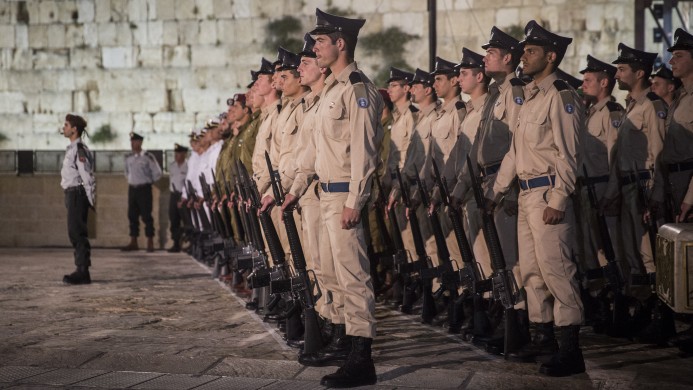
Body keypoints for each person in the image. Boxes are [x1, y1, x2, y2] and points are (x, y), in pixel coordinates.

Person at [283, 8, 383, 388]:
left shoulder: (357, 89)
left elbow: (364, 152)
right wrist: (293, 191)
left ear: (340, 43)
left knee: (354, 277)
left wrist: (355, 200)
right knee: (332, 274)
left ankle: (362, 357)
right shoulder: (331, 92)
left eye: (321, 41)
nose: (315, 47)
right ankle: (345, 342)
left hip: (343, 197)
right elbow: (312, 152)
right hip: (324, 195)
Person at [491, 20, 585, 377]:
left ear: (551, 56)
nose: (523, 56)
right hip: (528, 193)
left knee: (558, 271)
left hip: (548, 192)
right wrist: (496, 189)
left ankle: (570, 350)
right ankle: (543, 337)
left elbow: (568, 153)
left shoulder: (561, 94)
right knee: (532, 272)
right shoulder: (531, 96)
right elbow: (516, 151)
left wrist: (558, 199)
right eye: (524, 50)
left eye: (531, 51)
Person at [61, 114, 96, 285]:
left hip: (77, 193)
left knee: (77, 232)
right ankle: (81, 269)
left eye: (66, 125)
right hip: (71, 193)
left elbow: (87, 176)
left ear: (74, 129)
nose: (64, 128)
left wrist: (90, 199)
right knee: (74, 231)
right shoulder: (72, 148)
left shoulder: (79, 149)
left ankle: (83, 270)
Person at [663, 29, 693, 223]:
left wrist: (690, 198)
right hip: (673, 181)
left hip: (688, 181)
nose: (671, 62)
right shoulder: (680, 97)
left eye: (678, 56)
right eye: (672, 56)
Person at [122, 132, 163, 252]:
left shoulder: (148, 157)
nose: (132, 144)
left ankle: (150, 242)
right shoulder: (128, 157)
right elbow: (126, 172)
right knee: (132, 216)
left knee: (146, 216)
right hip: (133, 189)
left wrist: (148, 181)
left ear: (140, 142)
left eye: (134, 141)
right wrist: (131, 180)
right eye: (131, 141)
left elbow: (157, 173)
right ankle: (133, 241)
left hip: (144, 189)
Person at [168, 143, 188, 252]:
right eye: (176, 153)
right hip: (173, 195)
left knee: (186, 219)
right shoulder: (172, 166)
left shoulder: (188, 166)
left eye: (179, 153)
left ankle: (189, 242)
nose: (176, 155)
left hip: (183, 195)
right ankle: (176, 243)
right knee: (174, 219)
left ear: (184, 154)